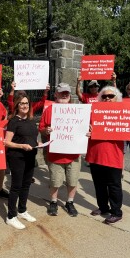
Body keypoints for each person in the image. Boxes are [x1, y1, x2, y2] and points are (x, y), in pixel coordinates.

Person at [39, 83, 81, 217]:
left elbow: (85, 128)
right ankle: (53, 202)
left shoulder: (77, 111)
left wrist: (88, 132)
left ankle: (70, 202)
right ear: (56, 94)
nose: (64, 95)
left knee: (72, 181)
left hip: (73, 154)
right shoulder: (49, 110)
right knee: (55, 181)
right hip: (55, 154)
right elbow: (41, 128)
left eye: (67, 93)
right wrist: (46, 130)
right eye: (61, 93)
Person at [86, 86, 125, 224]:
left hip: (113, 156)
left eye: (110, 96)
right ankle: (103, 208)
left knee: (114, 185)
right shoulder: (92, 112)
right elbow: (82, 128)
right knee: (99, 185)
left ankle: (116, 212)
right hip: (95, 154)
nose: (107, 98)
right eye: (104, 96)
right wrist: (86, 130)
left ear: (117, 98)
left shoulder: (124, 114)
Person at [4, 94, 39, 229]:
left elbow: (31, 138)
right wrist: (21, 146)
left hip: (30, 156)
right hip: (17, 157)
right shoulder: (13, 122)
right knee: (16, 186)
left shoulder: (31, 120)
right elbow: (6, 142)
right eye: (21, 103)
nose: (25, 106)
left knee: (26, 185)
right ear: (17, 106)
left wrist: (39, 143)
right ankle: (11, 216)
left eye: (26, 103)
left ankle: (22, 210)